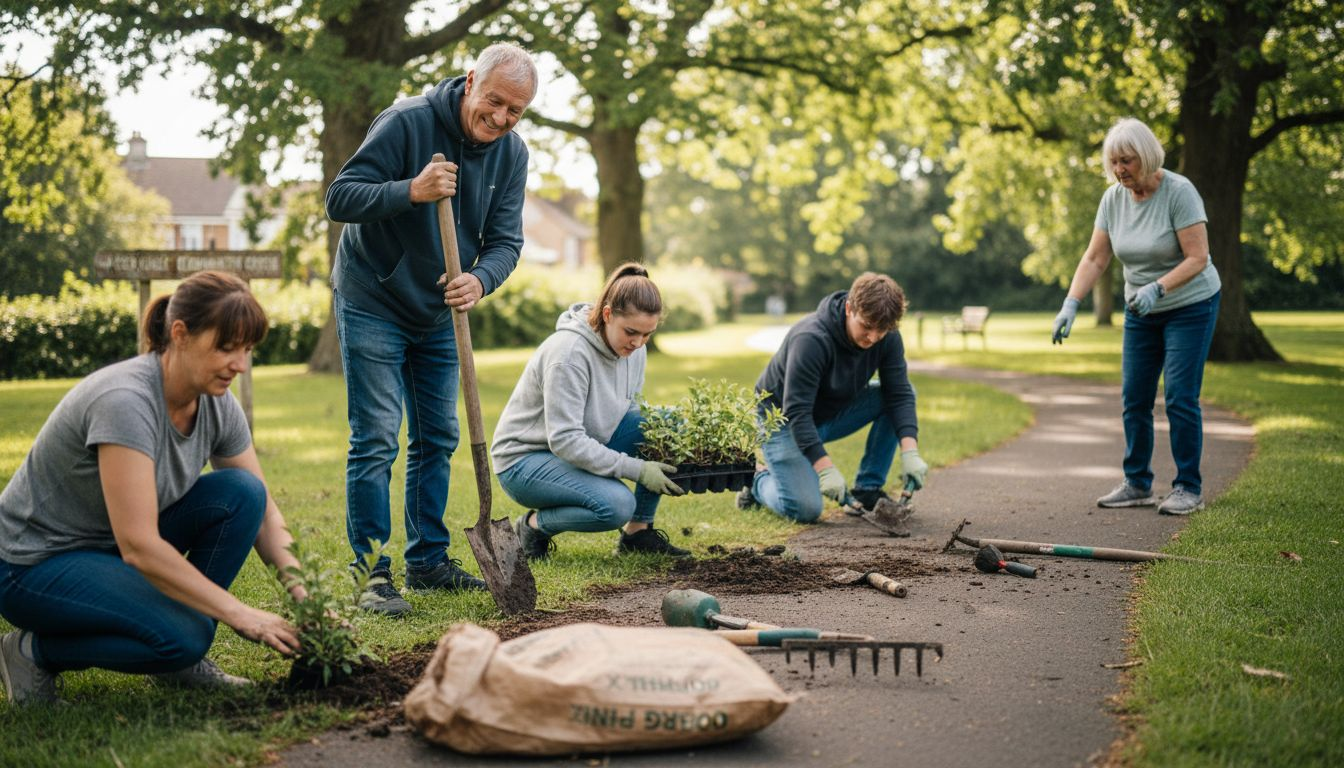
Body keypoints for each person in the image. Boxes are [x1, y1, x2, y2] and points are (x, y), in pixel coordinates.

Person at [0, 272, 305, 706]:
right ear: (179, 334)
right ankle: (31, 651)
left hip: (105, 550)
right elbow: (139, 545)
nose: (240, 364)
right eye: (226, 347)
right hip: (32, 564)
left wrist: (306, 598)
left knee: (244, 495)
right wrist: (242, 615)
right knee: (186, 636)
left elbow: (267, 515)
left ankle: (176, 653)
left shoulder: (218, 403)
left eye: (247, 349)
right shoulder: (125, 401)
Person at [324, 43, 538, 615]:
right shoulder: (407, 122)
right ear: (471, 81)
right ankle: (370, 572)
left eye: (515, 111)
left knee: (438, 437)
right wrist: (410, 191)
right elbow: (339, 198)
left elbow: (506, 243)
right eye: (494, 102)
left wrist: (481, 281)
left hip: (443, 309)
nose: (500, 118)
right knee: (375, 438)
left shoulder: (512, 155)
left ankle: (428, 562)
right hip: (374, 296)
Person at [1051, 117, 1221, 515]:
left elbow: (1199, 258)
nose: (1120, 170)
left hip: (1190, 305)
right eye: (1114, 163)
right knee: (1135, 397)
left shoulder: (1179, 192)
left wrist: (1159, 287)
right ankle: (1138, 483)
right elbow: (1096, 257)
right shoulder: (1113, 199)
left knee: (1179, 396)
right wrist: (1070, 304)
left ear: (1146, 156)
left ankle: (1187, 488)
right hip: (1140, 312)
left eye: (1126, 161)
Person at [490, 263, 691, 560]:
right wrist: (636, 468)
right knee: (617, 505)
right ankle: (532, 526)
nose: (638, 343)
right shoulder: (568, 355)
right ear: (607, 314)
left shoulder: (635, 349)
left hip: (577, 446)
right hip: (525, 461)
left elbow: (630, 412)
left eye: (647, 335)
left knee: (664, 424)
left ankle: (638, 533)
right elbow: (565, 440)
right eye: (631, 332)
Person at [737, 272, 927, 522]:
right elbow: (797, 412)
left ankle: (868, 489)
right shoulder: (811, 339)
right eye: (867, 326)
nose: (873, 337)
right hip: (781, 420)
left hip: (829, 412)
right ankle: (757, 481)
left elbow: (899, 394)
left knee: (898, 394)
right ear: (849, 308)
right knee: (805, 509)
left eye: (882, 330)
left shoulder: (887, 336)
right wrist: (825, 468)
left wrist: (910, 451)